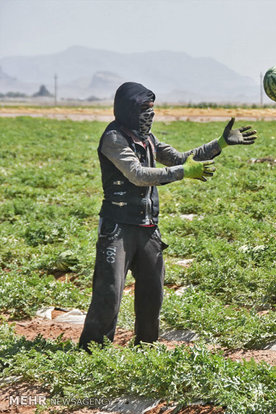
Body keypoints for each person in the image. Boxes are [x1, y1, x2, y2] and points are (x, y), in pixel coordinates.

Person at [79, 82, 258, 351]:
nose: (150, 115)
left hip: (148, 228)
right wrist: (183, 173)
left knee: (153, 294)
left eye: (152, 109)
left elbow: (179, 158)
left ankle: (146, 349)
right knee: (109, 295)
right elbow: (138, 175)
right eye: (143, 109)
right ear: (128, 109)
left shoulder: (148, 139)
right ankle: (92, 353)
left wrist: (219, 144)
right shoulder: (114, 138)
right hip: (118, 229)